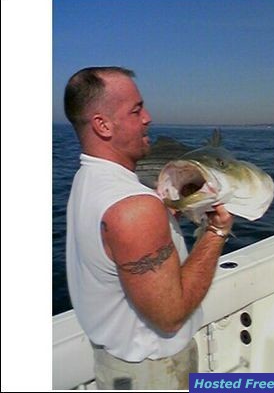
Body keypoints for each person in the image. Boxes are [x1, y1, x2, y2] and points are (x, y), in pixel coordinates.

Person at [64, 66, 234, 390]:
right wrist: (216, 231)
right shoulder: (135, 209)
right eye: (136, 109)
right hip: (155, 371)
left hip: (116, 361)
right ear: (102, 125)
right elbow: (170, 317)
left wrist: (165, 221)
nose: (148, 117)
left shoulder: (88, 178)